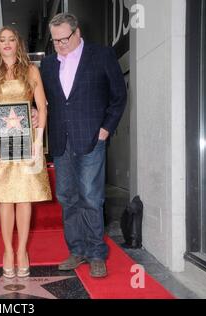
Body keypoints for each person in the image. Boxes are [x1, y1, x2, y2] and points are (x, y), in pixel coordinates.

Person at [40, 13, 127, 278]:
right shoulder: (46, 65)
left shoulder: (101, 55)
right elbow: (43, 101)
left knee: (91, 196)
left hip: (92, 138)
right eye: (55, 41)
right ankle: (76, 250)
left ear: (77, 33)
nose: (59, 45)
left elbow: (119, 96)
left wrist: (106, 129)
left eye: (64, 39)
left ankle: (96, 253)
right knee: (68, 198)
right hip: (60, 140)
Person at [0, 27, 52, 278]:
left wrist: (38, 142)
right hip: (1, 140)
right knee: (5, 198)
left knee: (24, 197)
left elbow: (41, 107)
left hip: (27, 140)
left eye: (11, 39)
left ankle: (22, 251)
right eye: (2, 40)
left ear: (18, 43)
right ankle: (7, 251)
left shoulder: (31, 70)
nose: (7, 44)